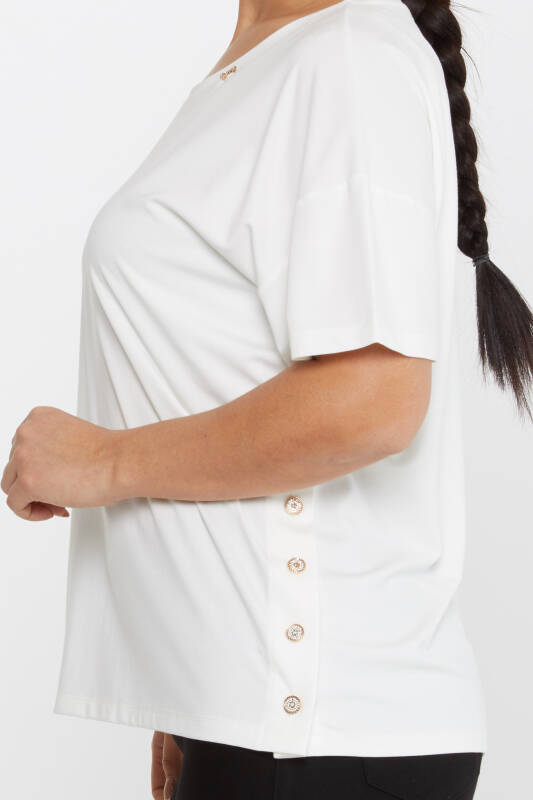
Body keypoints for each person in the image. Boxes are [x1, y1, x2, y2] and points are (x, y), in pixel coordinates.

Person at [3, 0, 532, 798]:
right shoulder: (273, 59)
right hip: (268, 724)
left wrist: (104, 461)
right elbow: (229, 362)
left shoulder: (346, 55)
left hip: (319, 737)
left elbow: (370, 402)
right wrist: (196, 694)